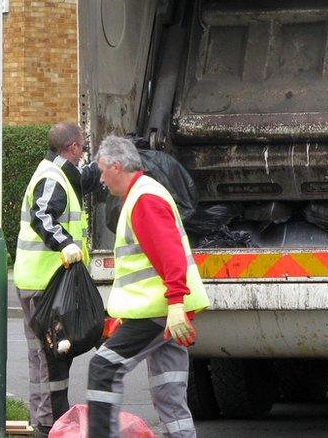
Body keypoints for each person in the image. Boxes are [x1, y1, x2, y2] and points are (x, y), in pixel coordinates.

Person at [87, 136, 210, 438]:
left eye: (103, 171)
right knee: (169, 390)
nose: (101, 179)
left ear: (116, 166)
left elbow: (170, 255)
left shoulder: (143, 199)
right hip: (166, 311)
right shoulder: (145, 194)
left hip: (159, 309)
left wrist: (176, 303)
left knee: (103, 368)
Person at [14, 121, 100, 438]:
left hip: (36, 279)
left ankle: (44, 419)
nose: (83, 152)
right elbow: (43, 215)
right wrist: (66, 244)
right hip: (46, 282)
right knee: (53, 356)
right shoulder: (52, 178)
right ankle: (53, 421)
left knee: (42, 355)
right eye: (82, 146)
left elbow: (81, 181)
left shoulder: (56, 172)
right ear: (74, 147)